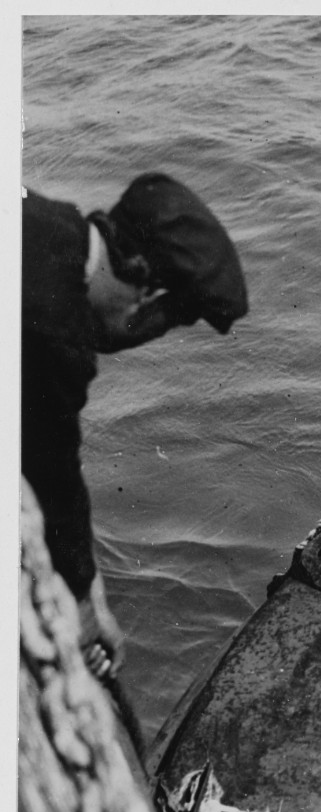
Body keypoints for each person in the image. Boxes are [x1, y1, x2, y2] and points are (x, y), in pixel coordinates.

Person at [22, 173, 249, 678]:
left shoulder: (44, 216)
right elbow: (51, 473)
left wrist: (90, 587)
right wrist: (83, 608)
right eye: (157, 323)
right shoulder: (54, 331)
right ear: (144, 286)